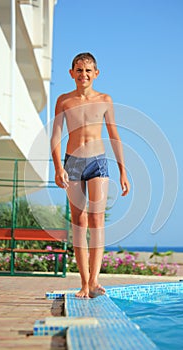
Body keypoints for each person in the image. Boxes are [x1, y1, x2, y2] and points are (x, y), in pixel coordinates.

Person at [51, 52, 130, 298]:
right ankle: (84, 283)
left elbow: (114, 135)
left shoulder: (105, 100)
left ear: (96, 73)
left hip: (98, 162)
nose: (83, 74)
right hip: (72, 162)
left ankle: (95, 281)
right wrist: (58, 167)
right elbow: (55, 136)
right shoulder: (64, 100)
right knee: (79, 223)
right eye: (79, 69)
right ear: (71, 73)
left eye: (88, 70)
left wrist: (123, 171)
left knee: (97, 221)